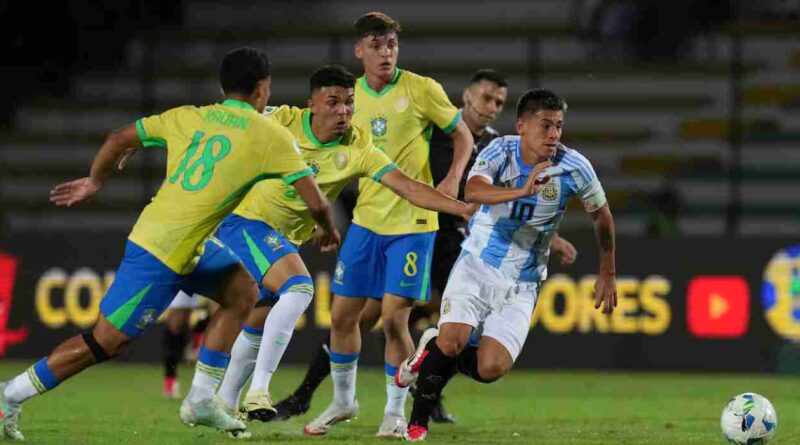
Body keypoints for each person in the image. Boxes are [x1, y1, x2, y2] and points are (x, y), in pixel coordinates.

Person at [0, 47, 333, 440]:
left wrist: (96, 181)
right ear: (264, 88)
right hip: (159, 251)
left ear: (224, 86)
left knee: (243, 289)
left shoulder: (189, 116)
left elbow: (118, 137)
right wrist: (328, 228)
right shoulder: (270, 135)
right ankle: (11, 396)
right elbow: (316, 200)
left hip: (185, 241)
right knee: (105, 342)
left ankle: (201, 399)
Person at [273, 68, 577, 425]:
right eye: (486, 98)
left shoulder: (498, 145)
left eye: (499, 102)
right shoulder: (434, 130)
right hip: (411, 226)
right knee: (363, 317)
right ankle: (305, 395)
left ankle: (427, 395)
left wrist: (550, 238)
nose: (492, 107)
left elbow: (512, 204)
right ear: (467, 96)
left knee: (451, 321)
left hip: (455, 242)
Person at [202, 64, 474, 423]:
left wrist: (462, 208)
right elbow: (228, 115)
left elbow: (407, 186)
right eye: (333, 102)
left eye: (349, 103)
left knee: (257, 314)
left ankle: (223, 404)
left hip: (282, 238)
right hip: (246, 222)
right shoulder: (282, 120)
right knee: (299, 287)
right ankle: (258, 391)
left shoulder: (359, 146)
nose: (343, 111)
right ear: (311, 104)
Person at [395, 88, 618, 441]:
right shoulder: (501, 150)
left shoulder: (574, 167)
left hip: (524, 281)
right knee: (453, 341)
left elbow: (602, 217)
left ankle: (432, 345)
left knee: (491, 367)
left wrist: (607, 271)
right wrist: (522, 190)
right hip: (478, 263)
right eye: (545, 125)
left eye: (558, 126)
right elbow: (474, 192)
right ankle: (417, 422)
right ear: (522, 126)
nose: (554, 135)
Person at [302, 12, 476, 438]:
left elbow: (464, 136)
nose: (386, 53)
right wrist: (321, 215)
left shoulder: (421, 89)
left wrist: (452, 180)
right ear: (360, 50)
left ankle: (396, 413)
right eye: (377, 46)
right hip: (366, 221)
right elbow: (335, 159)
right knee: (343, 316)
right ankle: (344, 401)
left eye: (392, 45)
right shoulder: (349, 98)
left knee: (396, 318)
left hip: (413, 222)